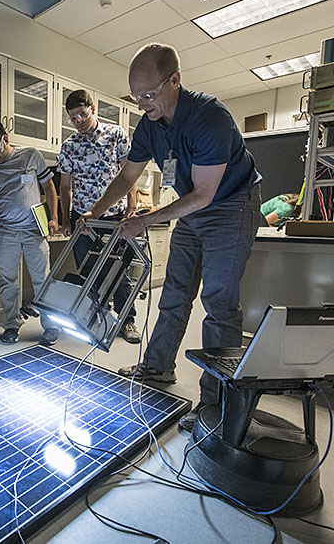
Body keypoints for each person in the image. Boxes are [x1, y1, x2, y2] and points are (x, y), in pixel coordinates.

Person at [81, 43, 262, 431]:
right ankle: (157, 369)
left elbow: (204, 194)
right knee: (175, 293)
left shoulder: (209, 118)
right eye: (136, 96)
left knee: (218, 305)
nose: (142, 103)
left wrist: (144, 220)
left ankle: (215, 404)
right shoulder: (148, 125)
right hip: (193, 208)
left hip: (230, 207)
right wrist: (95, 211)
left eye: (149, 94)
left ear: (175, 81)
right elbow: (128, 175)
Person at [58, 89, 141, 344]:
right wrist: (65, 220)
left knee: (119, 270)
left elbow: (129, 173)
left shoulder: (115, 134)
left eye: (82, 115)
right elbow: (65, 187)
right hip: (83, 219)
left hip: (114, 216)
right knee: (88, 271)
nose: (78, 121)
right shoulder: (70, 146)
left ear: (92, 109)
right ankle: (98, 319)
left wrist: (132, 204)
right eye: (73, 118)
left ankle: (127, 321)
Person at [0, 118, 61, 346]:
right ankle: (12, 324)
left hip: (34, 230)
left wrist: (54, 217)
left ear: (5, 138)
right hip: (5, 233)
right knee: (7, 281)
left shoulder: (31, 155)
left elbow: (49, 187)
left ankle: (51, 326)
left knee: (43, 280)